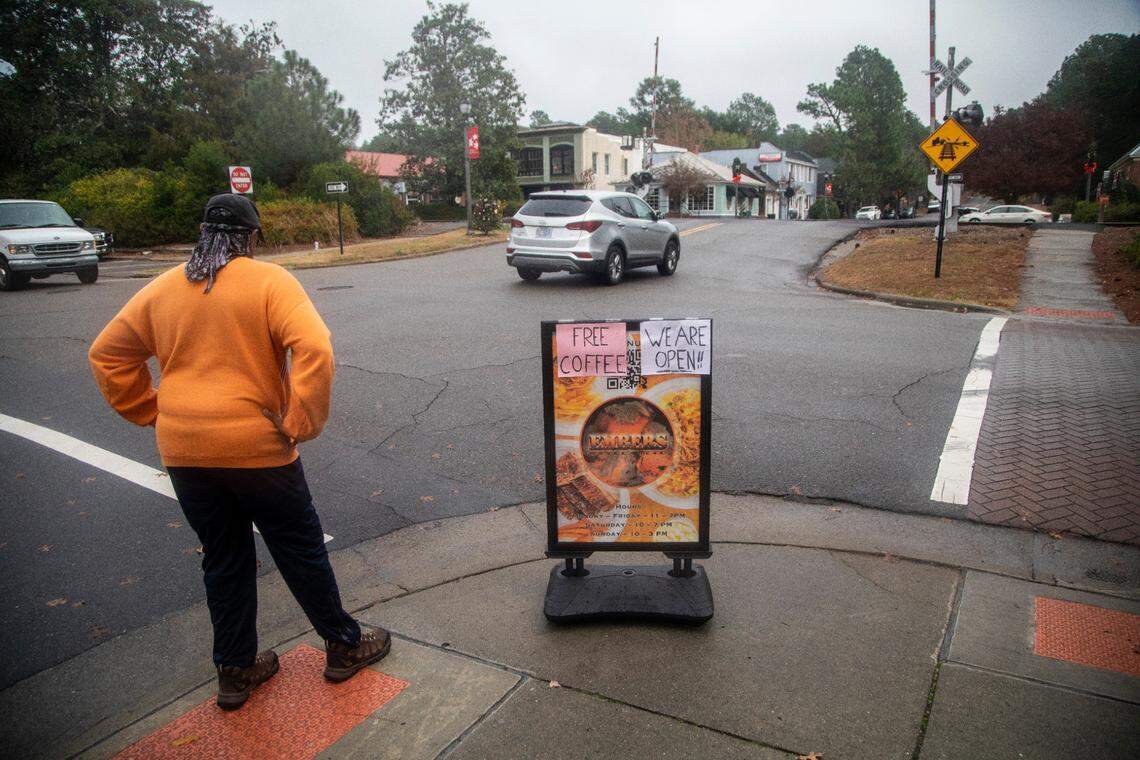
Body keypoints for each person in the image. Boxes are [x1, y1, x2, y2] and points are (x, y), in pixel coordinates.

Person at [89, 193, 389, 710]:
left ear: (203, 232)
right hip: (259, 448)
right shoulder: (270, 282)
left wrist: (149, 409)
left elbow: (107, 354)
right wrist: (300, 420)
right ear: (251, 238)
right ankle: (343, 645)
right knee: (298, 547)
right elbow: (315, 347)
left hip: (185, 449)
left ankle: (236, 669)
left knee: (223, 557)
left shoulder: (162, 289)